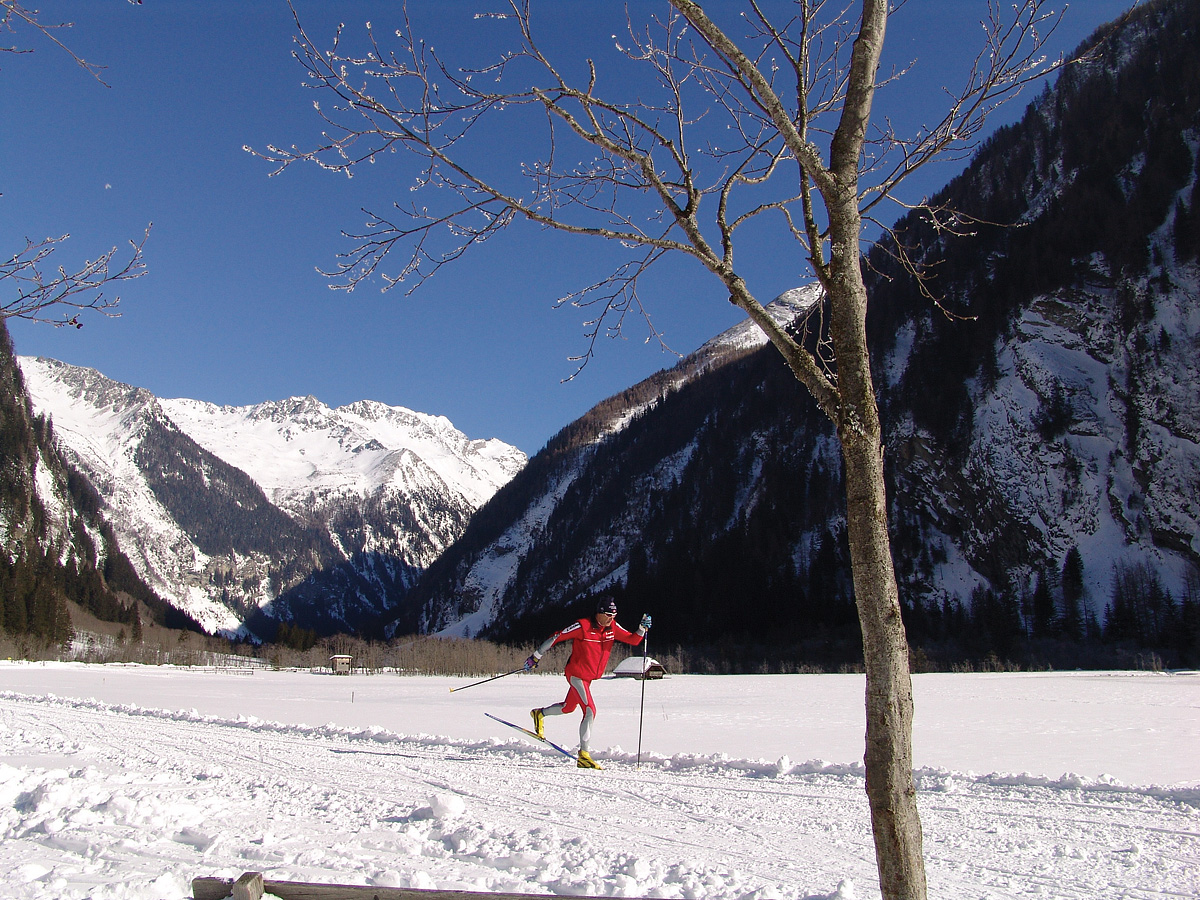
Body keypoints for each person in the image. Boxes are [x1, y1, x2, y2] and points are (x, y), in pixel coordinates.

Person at [523, 595, 651, 769]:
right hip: (576, 675)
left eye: (614, 615)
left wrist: (642, 629)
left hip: (588, 678)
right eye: (608, 615)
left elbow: (633, 639)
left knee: (568, 708)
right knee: (590, 711)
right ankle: (584, 755)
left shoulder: (612, 627)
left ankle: (539, 714)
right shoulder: (583, 626)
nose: (611, 619)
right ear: (599, 613)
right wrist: (536, 656)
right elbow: (557, 637)